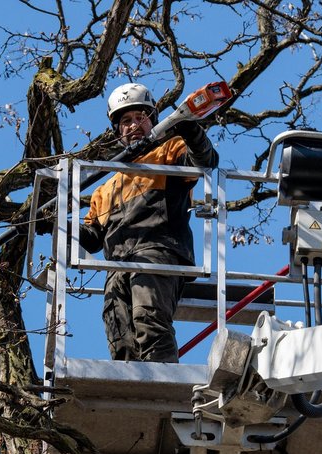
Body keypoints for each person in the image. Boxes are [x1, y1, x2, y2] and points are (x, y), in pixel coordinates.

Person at [79, 83, 219, 362]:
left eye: (140, 117)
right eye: (126, 121)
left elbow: (205, 160)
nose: (133, 125)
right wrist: (57, 223)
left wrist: (189, 127)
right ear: (117, 132)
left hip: (158, 253)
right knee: (120, 335)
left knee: (148, 319)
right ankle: (130, 391)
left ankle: (163, 379)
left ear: (153, 120)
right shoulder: (104, 188)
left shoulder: (168, 154)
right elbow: (93, 238)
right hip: (116, 266)